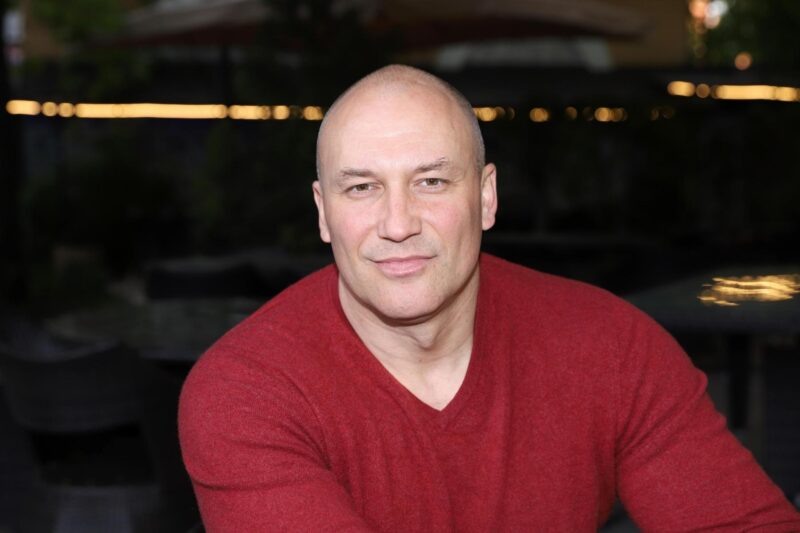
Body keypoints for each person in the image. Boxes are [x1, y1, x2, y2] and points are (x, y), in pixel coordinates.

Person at [178, 65, 800, 532]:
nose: (398, 223)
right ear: (322, 212)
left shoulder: (612, 346)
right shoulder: (243, 392)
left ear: (485, 197)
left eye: (431, 181)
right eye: (362, 188)